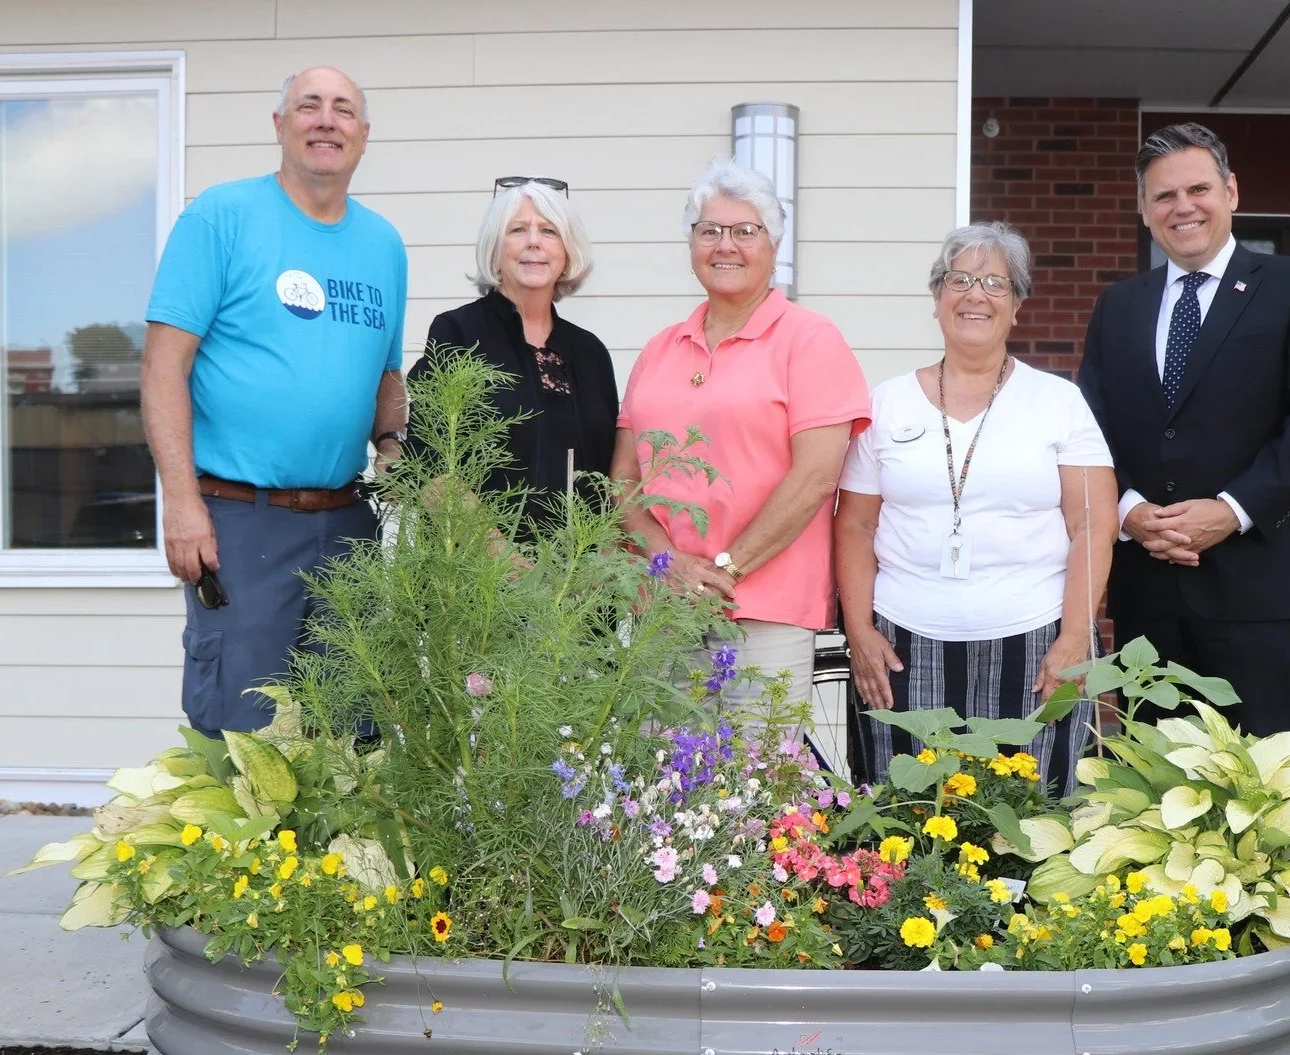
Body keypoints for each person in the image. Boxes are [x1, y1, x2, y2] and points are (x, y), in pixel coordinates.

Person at [143, 66, 408, 736]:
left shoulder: (383, 245)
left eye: (343, 109)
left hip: (347, 524)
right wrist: (181, 502)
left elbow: (385, 376)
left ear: (364, 133)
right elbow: (163, 367)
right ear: (279, 124)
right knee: (244, 734)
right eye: (309, 105)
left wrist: (391, 444)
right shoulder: (221, 217)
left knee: (350, 734)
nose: (326, 121)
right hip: (240, 521)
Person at [1078, 122, 1290, 737]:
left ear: (1231, 192)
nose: (1183, 207)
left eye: (1198, 189)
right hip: (1147, 583)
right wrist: (1127, 510)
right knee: (1150, 772)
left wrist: (1231, 510)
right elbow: (1089, 429)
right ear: (1145, 211)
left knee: (1256, 775)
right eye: (1164, 196)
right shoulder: (1118, 306)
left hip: (1254, 583)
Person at [837, 223, 1117, 791]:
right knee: (906, 811)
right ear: (936, 297)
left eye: (995, 283)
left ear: (1017, 305)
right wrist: (859, 630)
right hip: (902, 644)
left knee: (1031, 812)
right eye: (959, 279)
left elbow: (1093, 524)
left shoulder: (1059, 402)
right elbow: (855, 526)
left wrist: (1074, 638)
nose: (976, 295)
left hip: (1036, 639)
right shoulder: (886, 403)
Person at [610, 159, 871, 710]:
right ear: (691, 245)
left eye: (744, 231)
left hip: (767, 609)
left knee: (755, 761)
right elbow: (623, 481)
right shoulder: (659, 349)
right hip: (664, 606)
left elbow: (816, 476)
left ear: (774, 244)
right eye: (709, 230)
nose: (725, 245)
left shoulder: (809, 340)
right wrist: (670, 565)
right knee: (661, 761)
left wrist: (725, 571)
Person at [407, 177, 616, 520]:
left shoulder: (590, 352)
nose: (534, 242)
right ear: (495, 250)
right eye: (518, 230)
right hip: (476, 550)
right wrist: (500, 551)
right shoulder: (458, 333)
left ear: (567, 252)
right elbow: (430, 461)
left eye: (549, 231)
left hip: (577, 554)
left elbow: (608, 477)